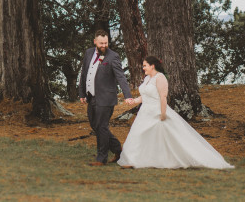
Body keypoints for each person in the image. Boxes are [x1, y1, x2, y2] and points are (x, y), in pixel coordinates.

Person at [118, 56, 234, 169]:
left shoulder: (160, 77)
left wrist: (163, 114)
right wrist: (133, 101)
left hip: (157, 111)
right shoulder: (147, 78)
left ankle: (173, 159)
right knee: (139, 135)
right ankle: (134, 160)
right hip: (145, 113)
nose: (143, 68)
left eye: (145, 66)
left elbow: (163, 97)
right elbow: (144, 96)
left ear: (152, 66)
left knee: (168, 137)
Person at [78, 29, 132, 166]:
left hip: (106, 98)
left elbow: (121, 77)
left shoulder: (113, 56)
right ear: (95, 42)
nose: (104, 45)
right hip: (91, 97)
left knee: (102, 126)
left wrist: (127, 95)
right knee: (95, 125)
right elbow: (84, 74)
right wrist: (82, 93)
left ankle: (101, 159)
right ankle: (118, 149)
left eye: (106, 43)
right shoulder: (89, 53)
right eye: (101, 43)